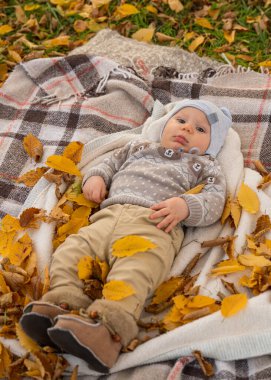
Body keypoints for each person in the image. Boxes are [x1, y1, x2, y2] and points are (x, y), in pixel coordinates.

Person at [19, 99, 232, 373]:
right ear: (164, 125)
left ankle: (108, 332)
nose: (188, 128)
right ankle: (64, 305)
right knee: (72, 251)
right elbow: (108, 164)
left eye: (201, 129)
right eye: (181, 121)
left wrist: (185, 206)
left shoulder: (204, 166)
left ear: (212, 145)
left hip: (153, 225)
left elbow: (215, 199)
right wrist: (95, 178)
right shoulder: (137, 147)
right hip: (107, 216)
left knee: (136, 269)